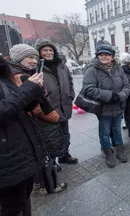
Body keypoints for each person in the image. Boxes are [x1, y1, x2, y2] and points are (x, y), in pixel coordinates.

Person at [9, 44, 67, 194]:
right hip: (39, 122)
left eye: (35, 57)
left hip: (32, 123)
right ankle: (49, 186)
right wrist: (55, 117)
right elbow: (36, 105)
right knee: (46, 155)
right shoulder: (22, 76)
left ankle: (39, 182)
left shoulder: (20, 73)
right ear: (19, 59)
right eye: (30, 57)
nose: (34, 61)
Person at [0, 56, 44, 216]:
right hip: (7, 160)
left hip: (21, 151)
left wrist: (34, 94)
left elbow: (15, 104)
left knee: (23, 198)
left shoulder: (5, 75)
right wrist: (28, 90)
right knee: (12, 206)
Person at [82, 41, 130, 168]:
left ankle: (119, 149)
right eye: (101, 54)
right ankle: (107, 151)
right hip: (103, 107)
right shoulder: (92, 70)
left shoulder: (118, 69)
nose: (104, 57)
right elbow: (88, 89)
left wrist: (121, 95)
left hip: (118, 105)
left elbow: (126, 85)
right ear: (97, 56)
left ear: (112, 56)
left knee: (117, 129)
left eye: (107, 55)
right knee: (104, 131)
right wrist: (109, 95)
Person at [35, 38, 78, 165]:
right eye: (45, 50)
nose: (48, 52)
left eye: (50, 50)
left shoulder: (61, 66)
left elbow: (70, 82)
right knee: (51, 137)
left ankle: (64, 155)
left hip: (64, 106)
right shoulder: (37, 68)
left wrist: (70, 95)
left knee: (65, 134)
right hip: (49, 109)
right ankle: (52, 162)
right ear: (39, 52)